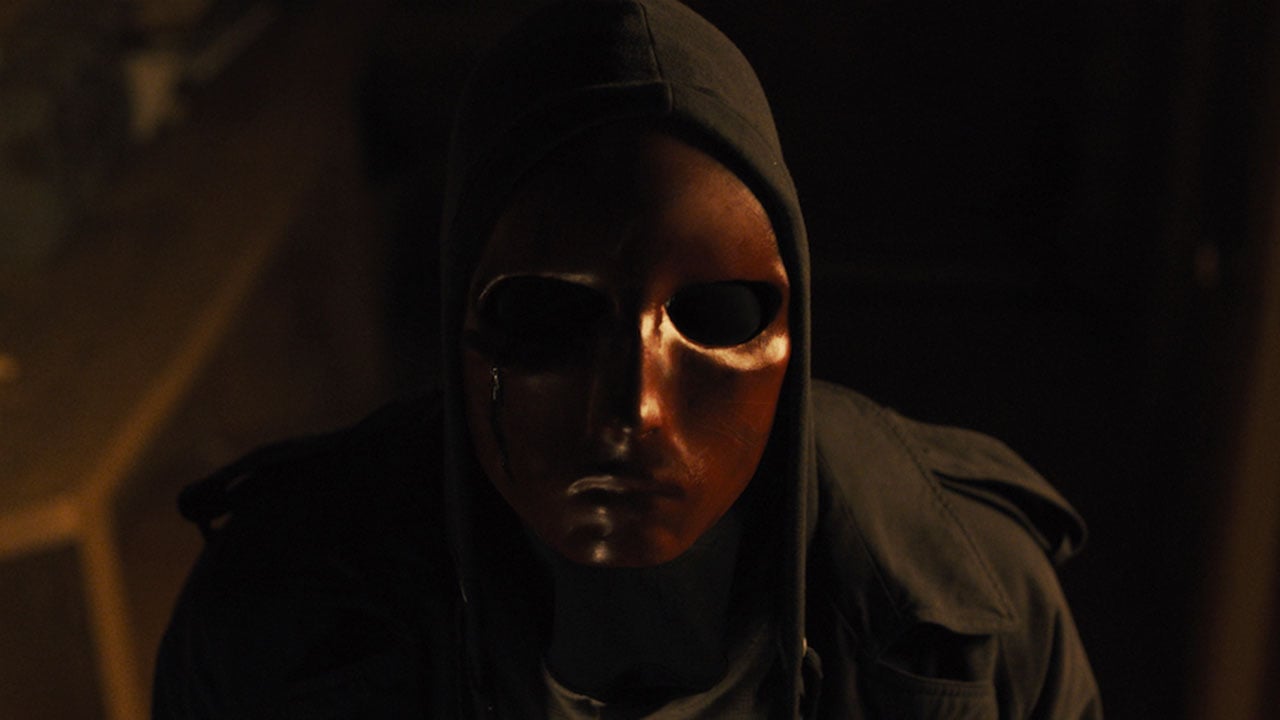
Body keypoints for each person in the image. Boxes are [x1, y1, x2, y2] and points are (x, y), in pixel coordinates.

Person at [153, 0, 1101, 717]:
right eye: (548, 318)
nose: (633, 409)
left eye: (712, 315)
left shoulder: (975, 608)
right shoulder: (271, 617)